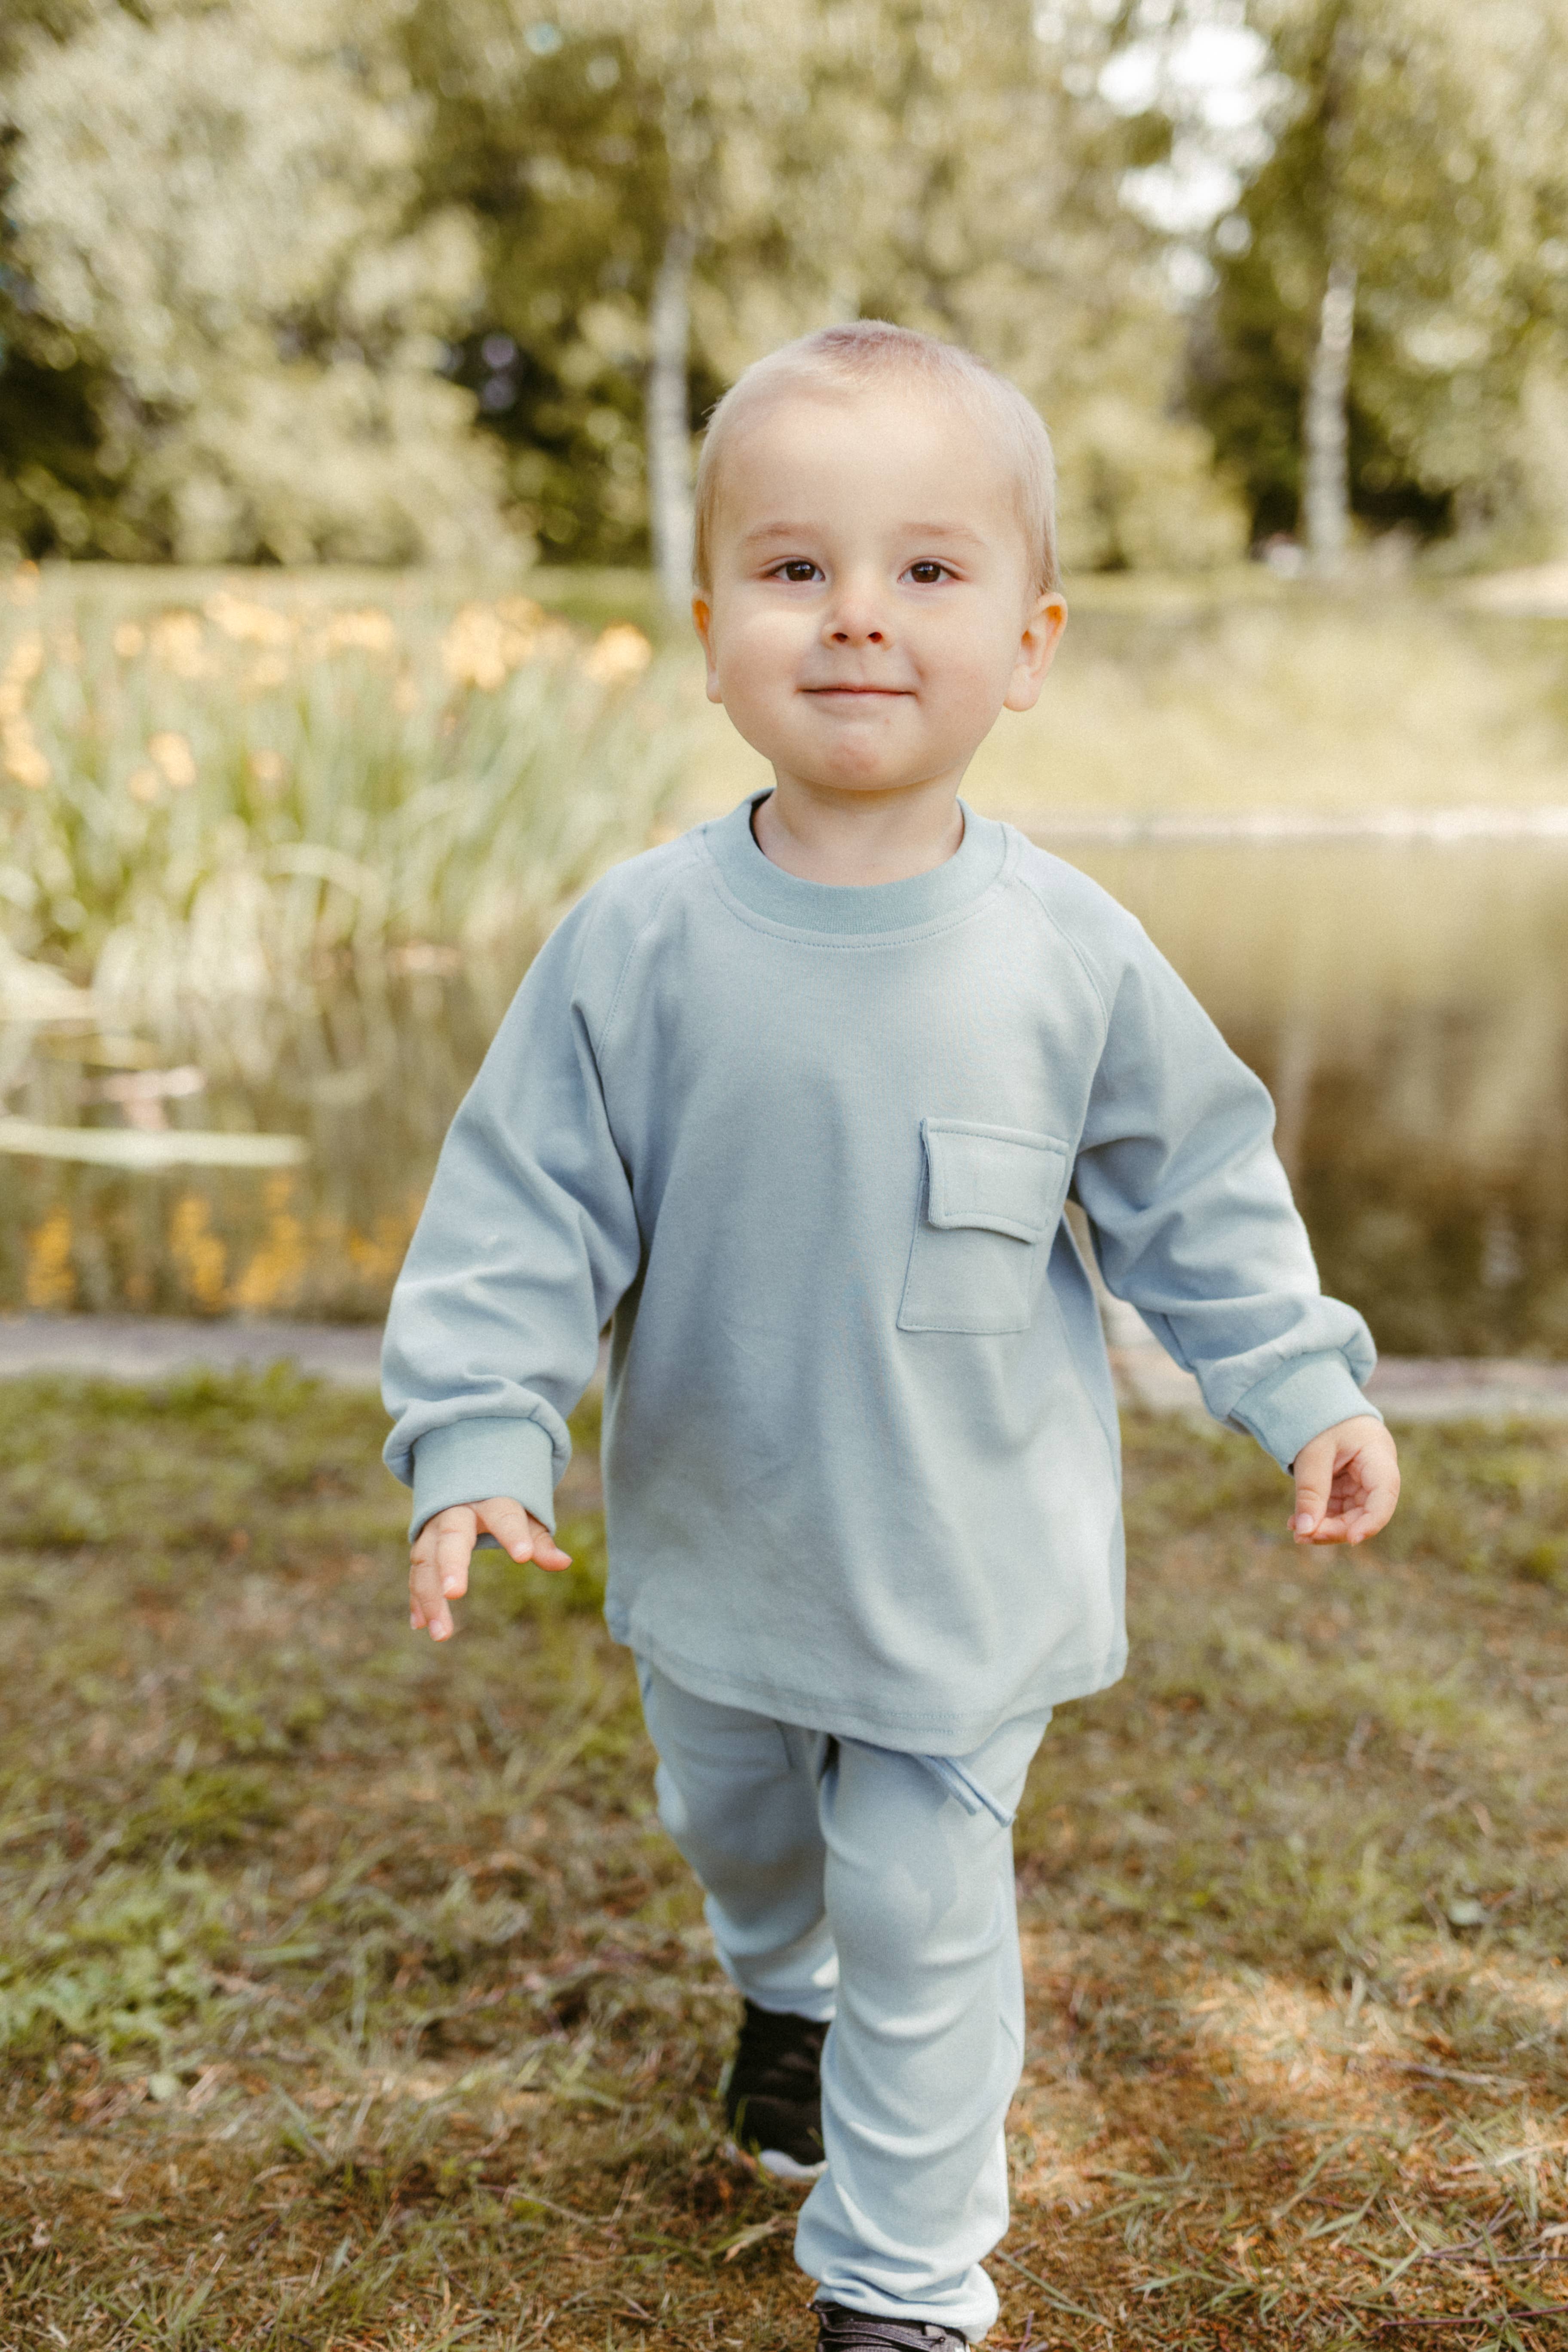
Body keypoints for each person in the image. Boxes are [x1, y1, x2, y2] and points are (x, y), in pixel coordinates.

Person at [383, 321, 1401, 2352]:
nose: (857, 617)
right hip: (726, 1550)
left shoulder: (1069, 952)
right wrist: (483, 1428)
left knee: (929, 1909)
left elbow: (1194, 1192)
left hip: (961, 1569)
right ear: (710, 630)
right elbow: (519, 1212)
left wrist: (1296, 1377)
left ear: (1025, 643)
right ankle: (783, 1994)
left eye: (926, 572)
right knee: (750, 1838)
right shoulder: (636, 948)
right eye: (794, 570)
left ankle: (906, 2281)